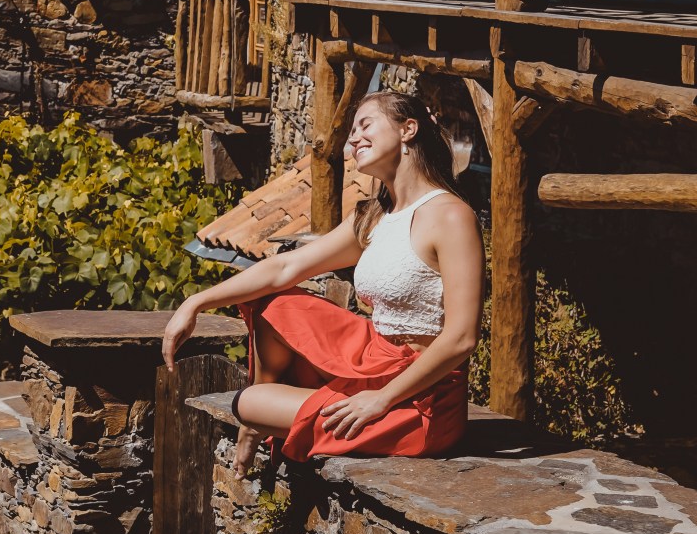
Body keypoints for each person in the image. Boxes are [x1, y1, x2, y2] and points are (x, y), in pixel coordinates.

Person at [162, 91, 485, 478]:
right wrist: (195, 303)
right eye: (351, 133)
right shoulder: (375, 216)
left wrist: (379, 400)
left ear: (408, 129)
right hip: (375, 359)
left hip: (421, 398)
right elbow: (285, 267)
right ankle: (265, 418)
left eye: (365, 125)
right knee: (275, 303)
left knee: (248, 402)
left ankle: (261, 419)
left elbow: (462, 337)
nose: (353, 139)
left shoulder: (451, 215)